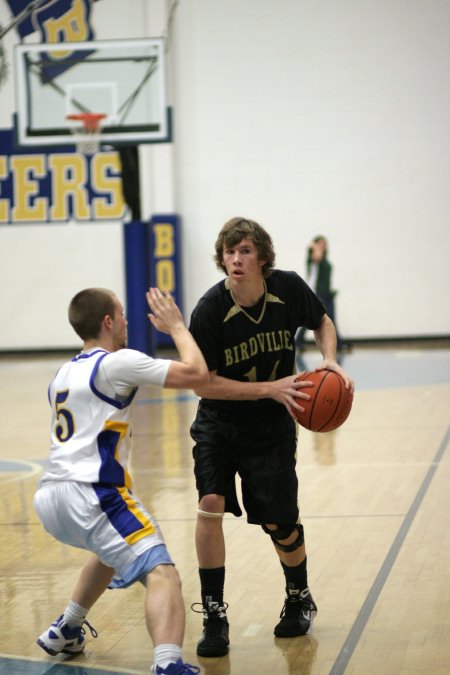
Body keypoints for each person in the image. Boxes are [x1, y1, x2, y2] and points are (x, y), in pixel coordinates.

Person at [188, 217, 354, 658]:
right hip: (219, 423)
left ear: (262, 257)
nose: (235, 259)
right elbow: (204, 384)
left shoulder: (288, 288)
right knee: (210, 506)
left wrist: (330, 360)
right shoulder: (209, 310)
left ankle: (299, 596)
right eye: (228, 251)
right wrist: (270, 388)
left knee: (280, 523)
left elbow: (321, 320)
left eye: (243, 251)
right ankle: (214, 613)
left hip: (271, 426)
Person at [33, 287, 208, 675]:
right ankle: (168, 663)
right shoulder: (116, 363)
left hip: (50, 498)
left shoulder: (62, 373)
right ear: (108, 322)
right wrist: (177, 326)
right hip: (93, 494)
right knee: (162, 573)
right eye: (122, 313)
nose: (127, 320)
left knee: (112, 547)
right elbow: (196, 373)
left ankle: (67, 628)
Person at [295, 235, 345, 352]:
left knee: (329, 319)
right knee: (314, 317)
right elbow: (316, 255)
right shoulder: (314, 257)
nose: (322, 247)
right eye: (320, 244)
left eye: (324, 245)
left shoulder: (324, 259)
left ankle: (338, 343)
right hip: (318, 293)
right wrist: (315, 245)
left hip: (326, 293)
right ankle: (298, 341)